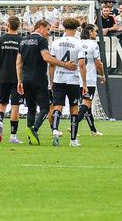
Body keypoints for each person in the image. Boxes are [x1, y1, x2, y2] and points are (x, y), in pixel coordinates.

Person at [17, 19, 75, 146]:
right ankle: (34, 129)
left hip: (26, 79)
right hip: (39, 79)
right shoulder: (41, 40)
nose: (48, 33)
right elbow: (46, 58)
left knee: (31, 109)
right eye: (48, 29)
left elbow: (18, 63)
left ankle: (30, 137)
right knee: (45, 107)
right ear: (41, 27)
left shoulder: (23, 40)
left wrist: (19, 80)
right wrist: (64, 64)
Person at [48, 17, 85, 147]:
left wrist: (51, 81)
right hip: (73, 80)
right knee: (74, 109)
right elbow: (81, 65)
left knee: (57, 106)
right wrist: (84, 84)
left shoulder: (55, 43)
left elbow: (51, 64)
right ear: (76, 29)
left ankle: (55, 130)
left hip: (58, 79)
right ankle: (73, 140)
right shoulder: (79, 43)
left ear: (64, 28)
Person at [0, 15, 23, 143]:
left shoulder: (0, 40)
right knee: (15, 106)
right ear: (18, 26)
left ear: (7, 25)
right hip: (17, 78)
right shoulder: (21, 40)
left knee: (2, 103)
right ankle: (13, 136)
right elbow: (22, 61)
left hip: (3, 76)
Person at [77, 24, 105, 136]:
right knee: (86, 104)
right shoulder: (93, 44)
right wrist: (102, 75)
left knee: (86, 106)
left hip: (77, 78)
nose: (96, 33)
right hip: (88, 79)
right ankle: (72, 124)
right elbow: (98, 63)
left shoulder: (78, 43)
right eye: (95, 31)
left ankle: (93, 130)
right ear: (89, 32)